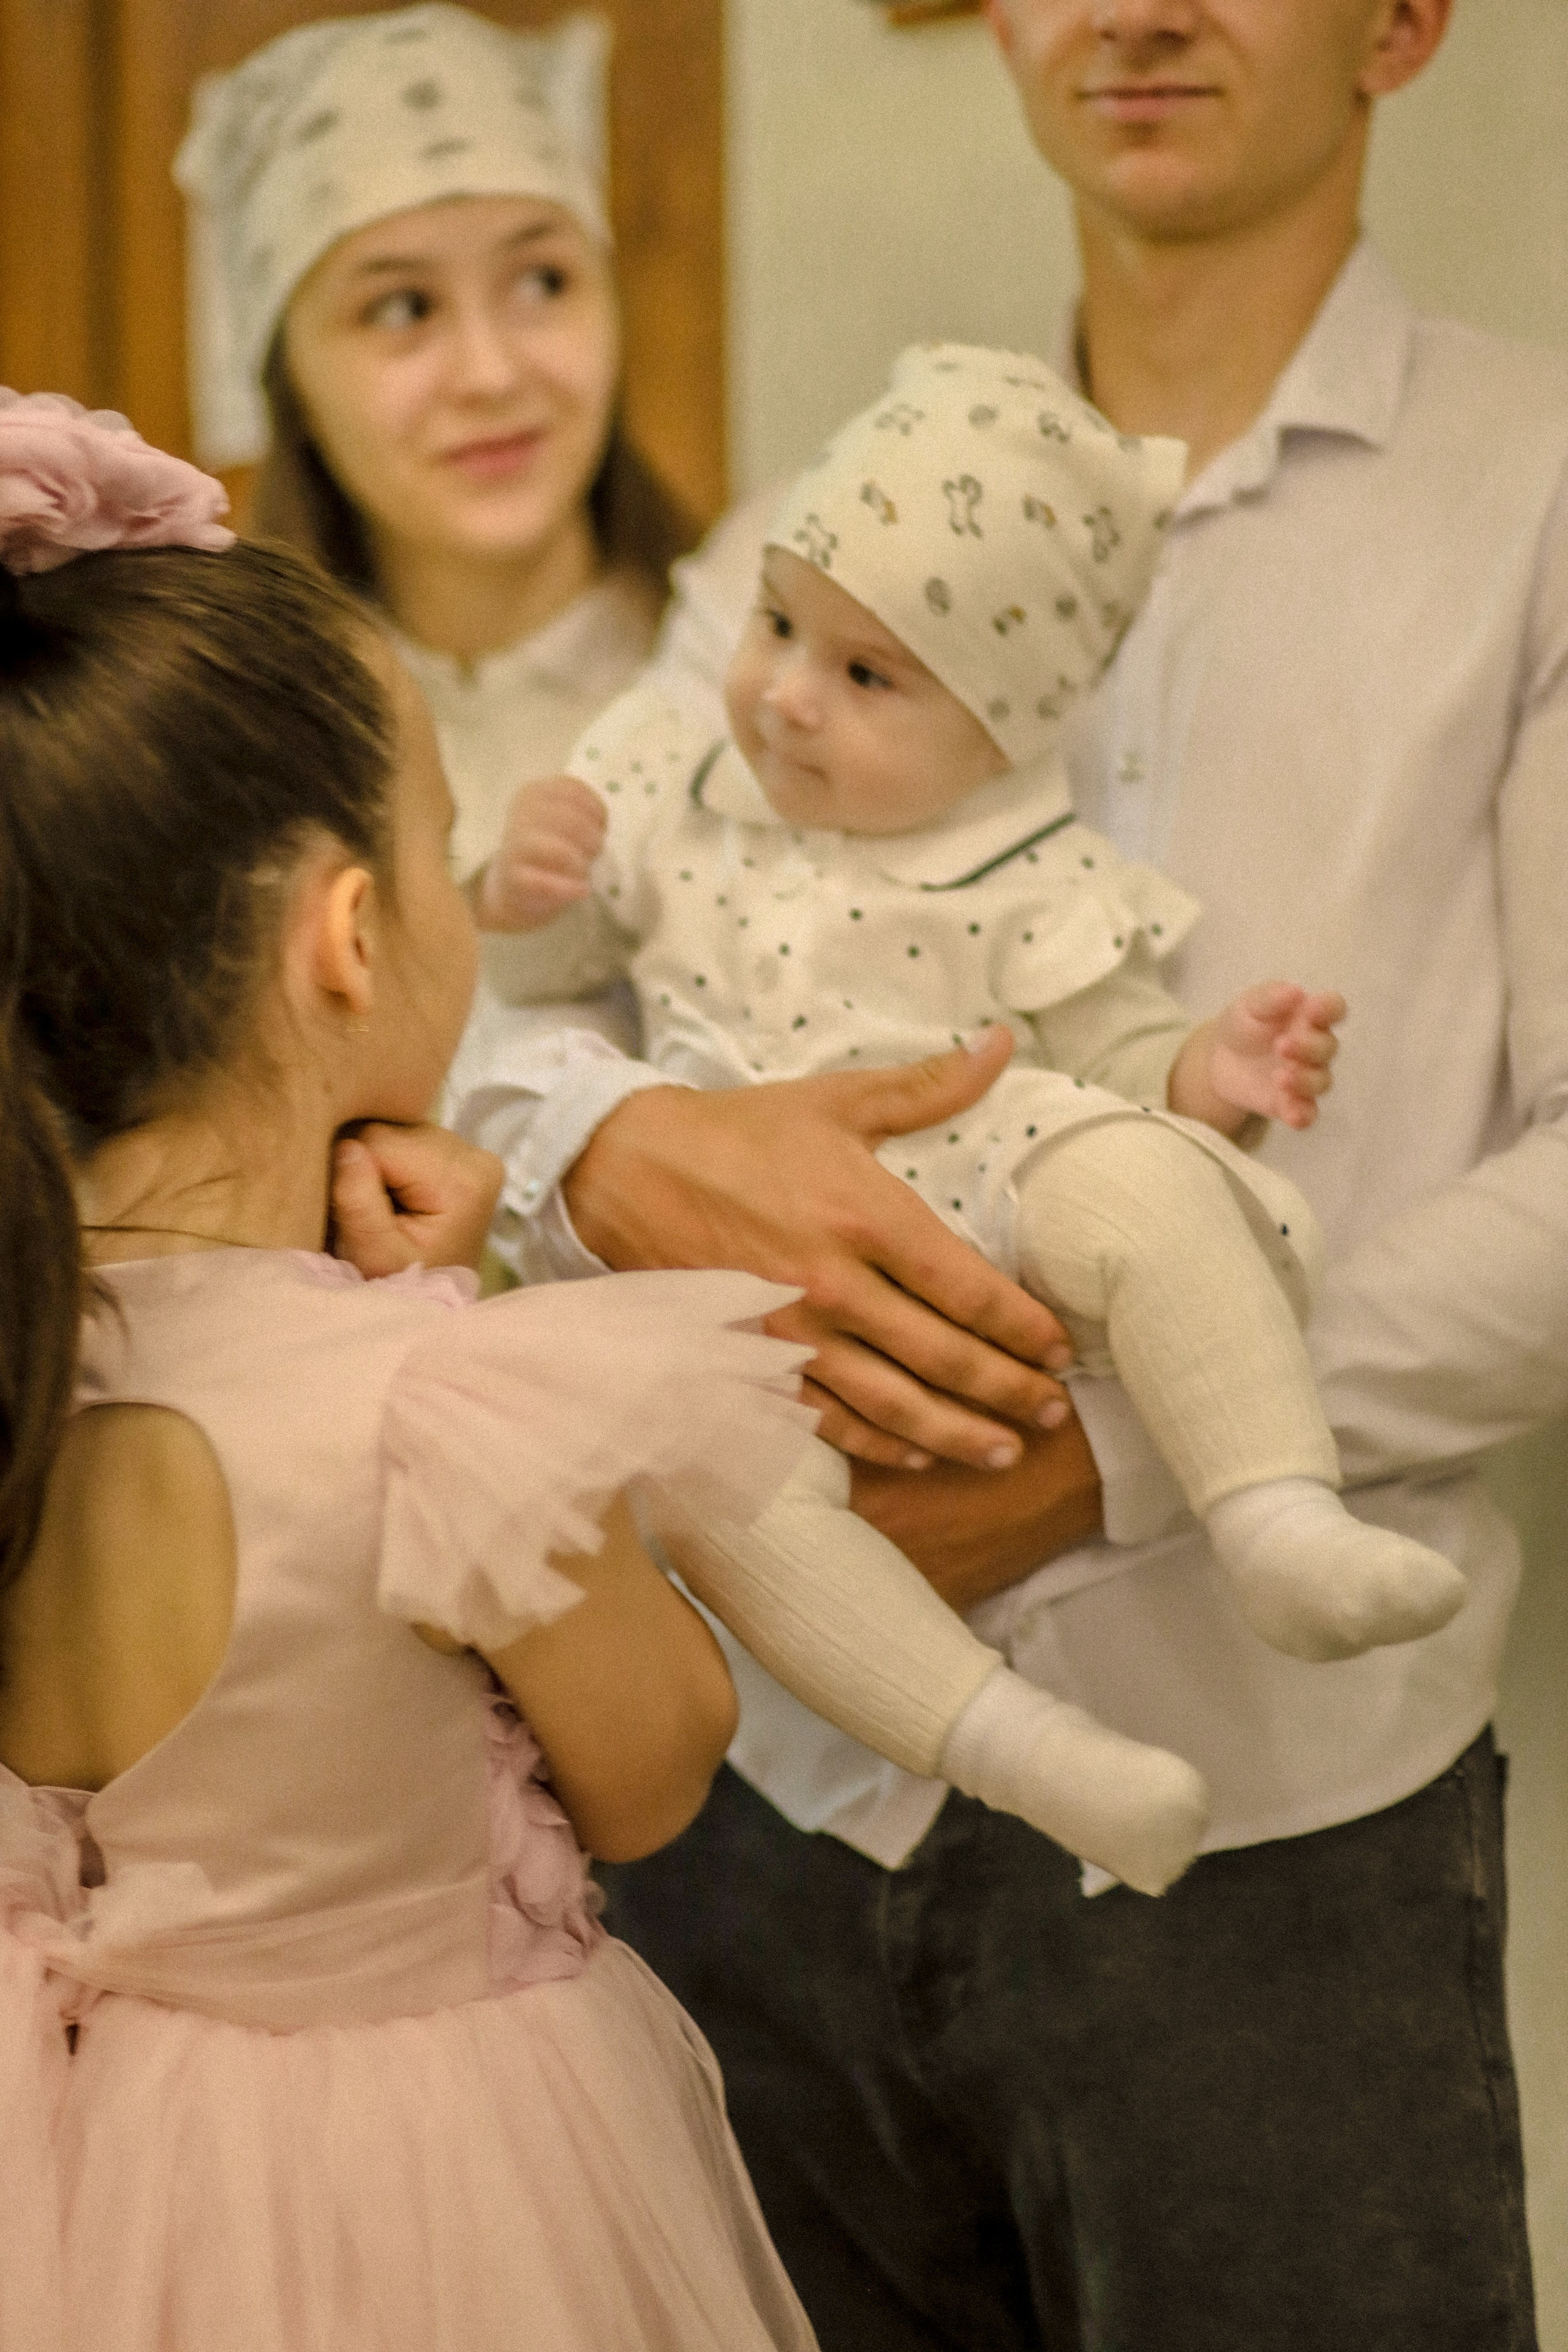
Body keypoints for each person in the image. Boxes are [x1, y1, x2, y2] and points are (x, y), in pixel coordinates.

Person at [448, 1, 1568, 2344]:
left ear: (1401, 22)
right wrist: (622, 1147)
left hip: (1276, 1839)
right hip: (767, 1804)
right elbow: (493, 1004)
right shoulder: (804, 536)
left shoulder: (1533, 492)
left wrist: (1108, 1460)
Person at [0, 392, 823, 2352]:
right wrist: (470, 1319)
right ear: (350, 939)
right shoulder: (434, 1405)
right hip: (442, 2213)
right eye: (444, 853)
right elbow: (658, 1762)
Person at [497, 339, 1468, 1704]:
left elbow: (1118, 1062)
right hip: (739, 1280)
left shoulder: (1029, 875)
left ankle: (1274, 1513)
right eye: (776, 623)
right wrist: (520, 890)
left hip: (979, 1233)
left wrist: (1211, 1071)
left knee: (1149, 1195)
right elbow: (548, 976)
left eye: (867, 677)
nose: (787, 693)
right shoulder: (680, 796)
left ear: (999, 737)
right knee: (742, 1518)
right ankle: (1000, 1740)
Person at [175, 2, 685, 1017]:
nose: (491, 373)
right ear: (290, 381)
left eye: (543, 280)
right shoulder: (225, 762)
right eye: (402, 307)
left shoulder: (763, 679)